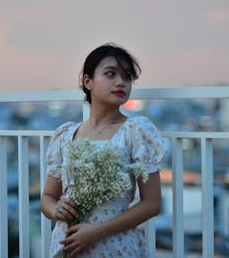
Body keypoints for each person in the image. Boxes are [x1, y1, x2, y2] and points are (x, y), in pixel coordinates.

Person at [40, 43, 166, 257]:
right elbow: (48, 196)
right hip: (67, 243)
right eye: (110, 74)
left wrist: (98, 231)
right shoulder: (66, 134)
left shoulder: (135, 131)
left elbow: (152, 203)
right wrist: (56, 210)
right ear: (87, 81)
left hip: (114, 245)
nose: (121, 82)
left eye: (127, 77)